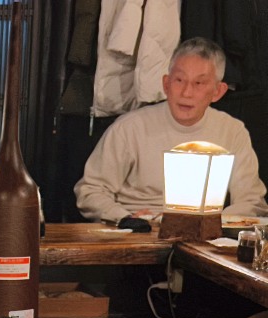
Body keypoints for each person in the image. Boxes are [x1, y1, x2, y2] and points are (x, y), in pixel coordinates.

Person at [75, 37, 268, 229]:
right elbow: (91, 191)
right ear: (166, 84)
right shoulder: (129, 128)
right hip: (139, 231)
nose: (186, 92)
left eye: (199, 83)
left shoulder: (232, 131)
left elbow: (251, 201)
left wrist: (213, 224)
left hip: (206, 236)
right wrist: (125, 218)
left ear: (218, 91)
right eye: (179, 80)